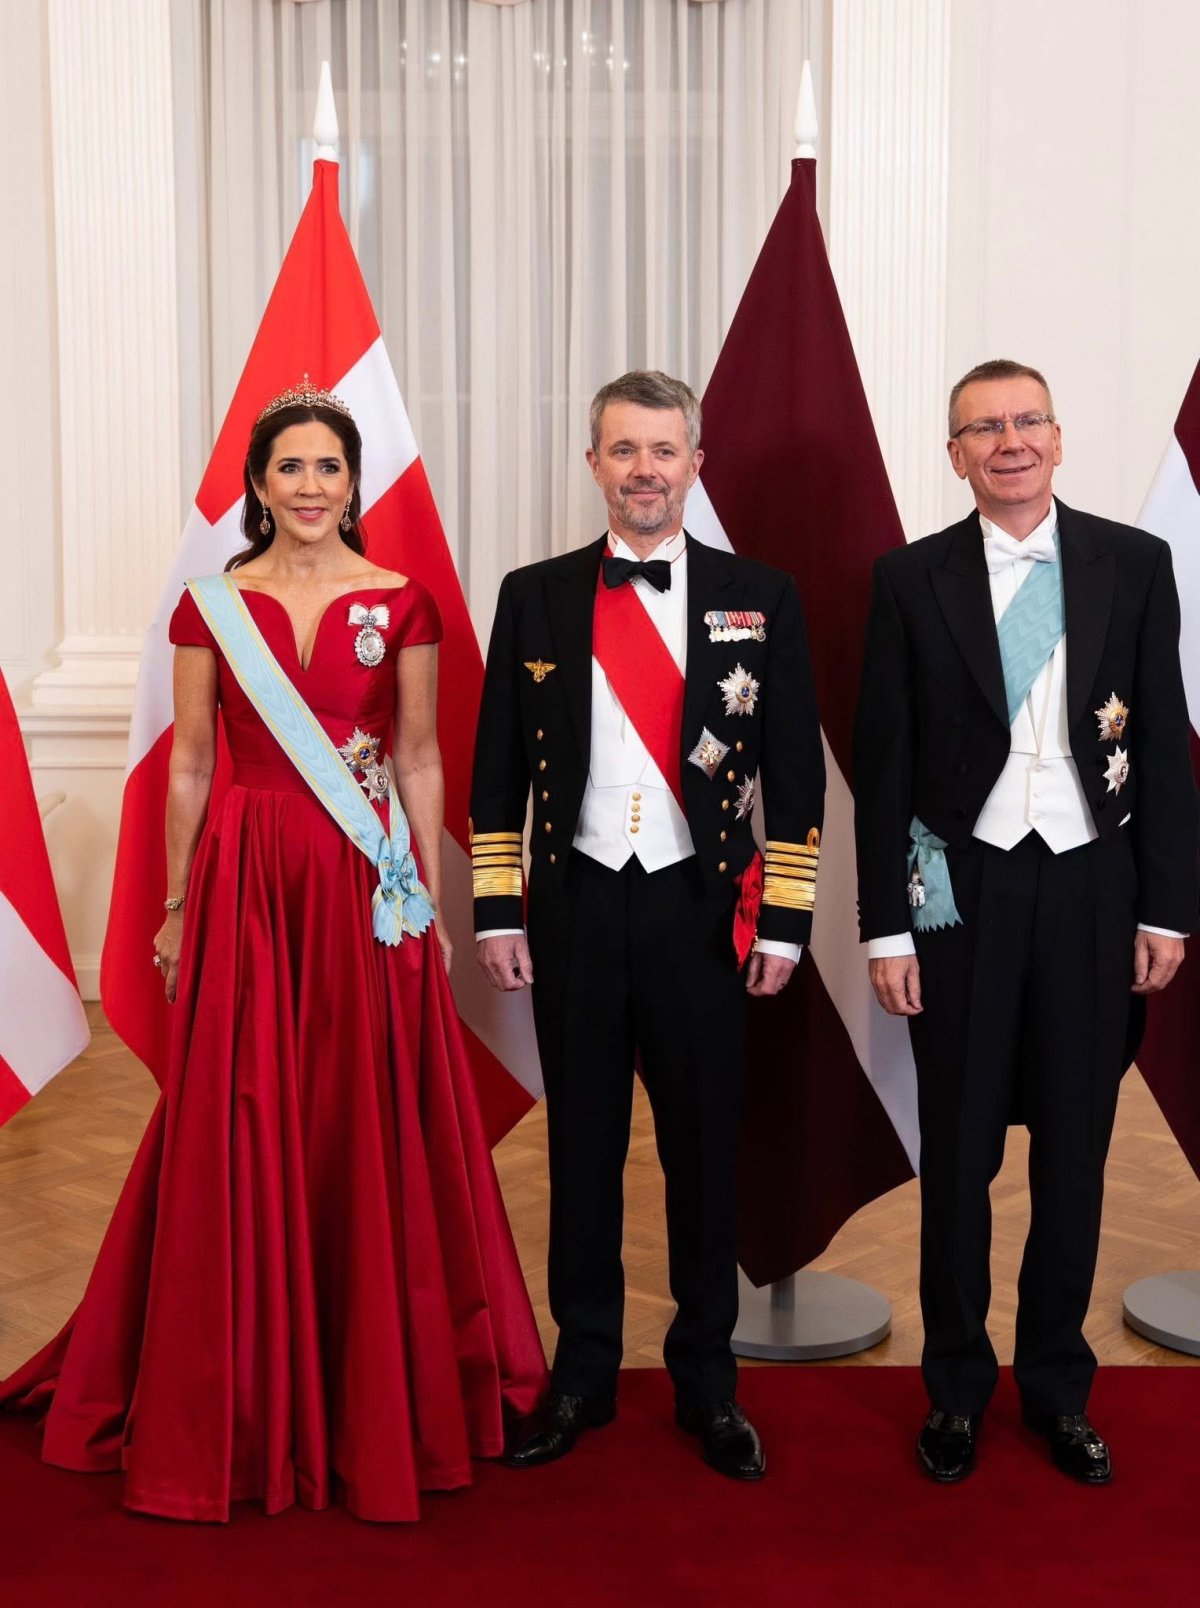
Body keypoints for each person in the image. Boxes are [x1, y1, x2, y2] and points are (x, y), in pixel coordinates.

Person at [1, 379, 546, 1522]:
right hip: (245, 876)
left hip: (364, 884)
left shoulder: (402, 600)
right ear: (257, 486)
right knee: (242, 1103)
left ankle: (370, 1374)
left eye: (329, 468)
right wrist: (176, 906)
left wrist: (430, 902)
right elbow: (192, 761)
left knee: (368, 1106)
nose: (310, 486)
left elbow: (421, 761)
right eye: (289, 468)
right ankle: (241, 1381)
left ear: (356, 484)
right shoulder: (212, 603)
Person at [470, 370, 825, 1480]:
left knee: (701, 1154)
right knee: (582, 1153)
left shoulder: (760, 594)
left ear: (695, 463)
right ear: (594, 465)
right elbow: (493, 773)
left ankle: (707, 1385)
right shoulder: (533, 594)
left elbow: (794, 772)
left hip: (697, 907)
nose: (644, 471)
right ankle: (582, 1375)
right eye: (623, 451)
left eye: (664, 450)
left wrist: (786, 920)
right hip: (573, 904)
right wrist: (494, 907)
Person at [854, 358, 1199, 1486]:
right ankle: (955, 1387)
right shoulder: (909, 580)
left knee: (1078, 1157)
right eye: (982, 429)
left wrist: (1168, 906)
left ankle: (1055, 1387)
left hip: (1094, 893)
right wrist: (885, 929)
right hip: (961, 894)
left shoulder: (1135, 565)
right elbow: (885, 761)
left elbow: (1163, 747)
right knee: (957, 1156)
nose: (1008, 442)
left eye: (1026, 421)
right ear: (953, 454)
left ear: (1058, 437)